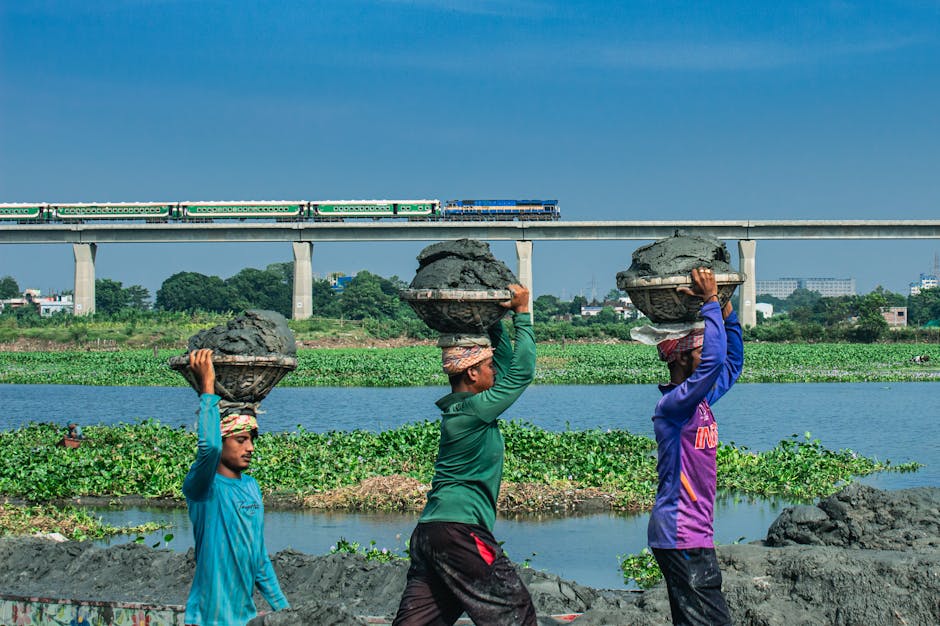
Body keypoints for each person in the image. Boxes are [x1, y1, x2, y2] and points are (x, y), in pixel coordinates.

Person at [393, 284, 537, 626]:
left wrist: (493, 321)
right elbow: (521, 373)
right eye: (487, 367)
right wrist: (522, 314)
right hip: (460, 533)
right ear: (472, 373)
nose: (494, 372)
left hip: (431, 533)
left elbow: (503, 364)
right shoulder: (473, 412)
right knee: (514, 610)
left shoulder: (463, 410)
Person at [647, 267, 743, 626]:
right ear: (683, 358)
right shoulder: (674, 406)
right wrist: (709, 302)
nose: (706, 358)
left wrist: (727, 311)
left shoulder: (699, 402)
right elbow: (716, 360)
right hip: (681, 533)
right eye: (699, 351)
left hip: (692, 533)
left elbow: (731, 363)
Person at [183, 348, 289, 626]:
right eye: (241, 440)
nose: (250, 448)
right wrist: (207, 387)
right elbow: (208, 448)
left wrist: (285, 610)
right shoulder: (203, 488)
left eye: (252, 440)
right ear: (224, 439)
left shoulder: (252, 488)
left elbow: (258, 558)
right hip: (208, 619)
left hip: (243, 618)